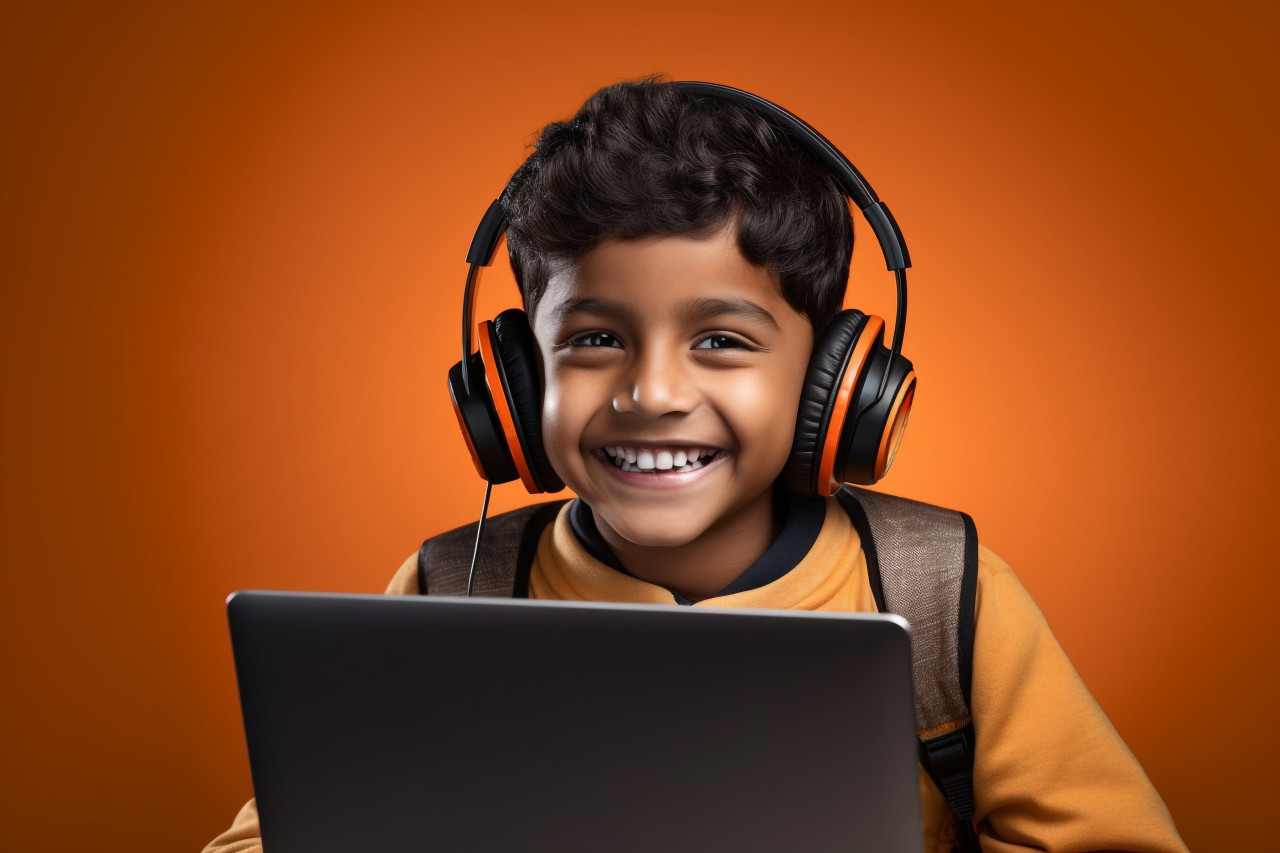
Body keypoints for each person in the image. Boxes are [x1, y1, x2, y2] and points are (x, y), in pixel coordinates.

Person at [205, 78, 1187, 853]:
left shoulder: (943, 594)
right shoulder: (450, 588)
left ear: (833, 385)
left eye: (720, 341)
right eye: (593, 340)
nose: (650, 392)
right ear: (511, 378)